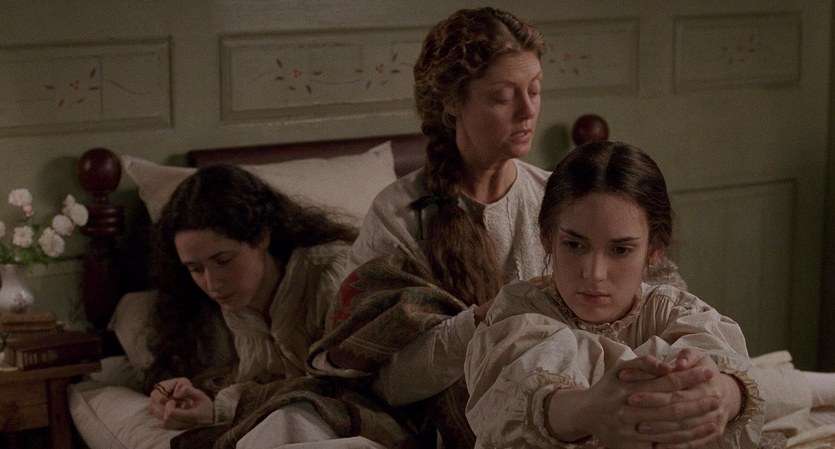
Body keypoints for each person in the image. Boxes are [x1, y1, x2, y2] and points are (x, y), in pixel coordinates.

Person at [464, 141, 835, 449]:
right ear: (547, 238)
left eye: (620, 250)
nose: (594, 273)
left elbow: (718, 363)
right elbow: (508, 402)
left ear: (655, 249)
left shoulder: (675, 311)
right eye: (574, 244)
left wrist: (725, 394)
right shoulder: (516, 315)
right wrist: (587, 410)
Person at [143, 164, 357, 431]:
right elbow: (255, 381)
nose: (212, 284)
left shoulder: (331, 278)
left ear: (262, 236)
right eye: (195, 269)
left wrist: (223, 409)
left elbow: (341, 391)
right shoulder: (236, 306)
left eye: (224, 260)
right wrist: (177, 394)